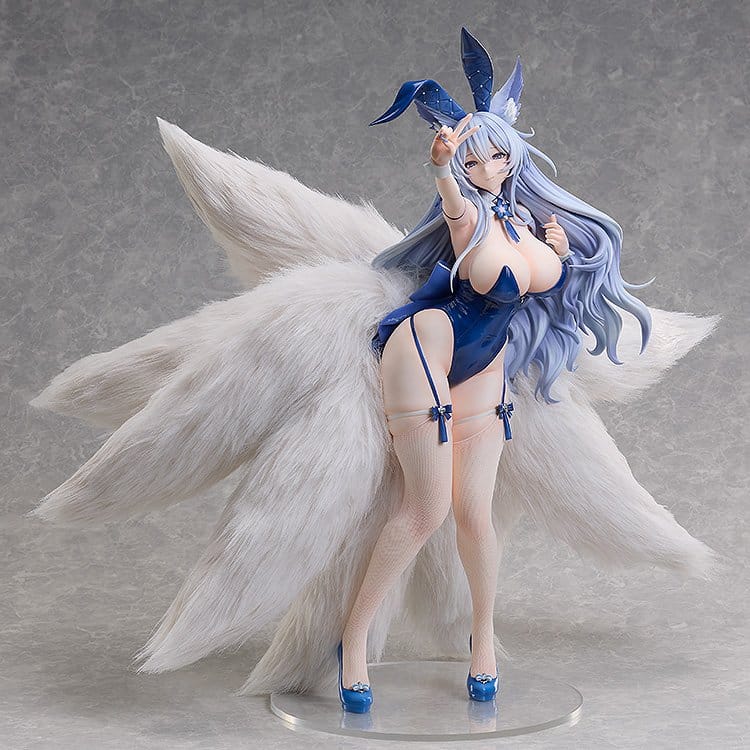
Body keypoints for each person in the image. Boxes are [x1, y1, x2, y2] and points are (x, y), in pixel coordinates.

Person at [29, 28, 717, 715]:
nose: (488, 166)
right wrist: (442, 165)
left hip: (486, 368)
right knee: (424, 510)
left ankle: (481, 643)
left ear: (513, 155)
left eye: (497, 154)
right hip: (425, 348)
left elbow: (550, 285)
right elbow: (452, 202)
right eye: (475, 158)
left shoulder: (534, 231)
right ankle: (353, 644)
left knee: (474, 516)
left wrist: (561, 252)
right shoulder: (468, 220)